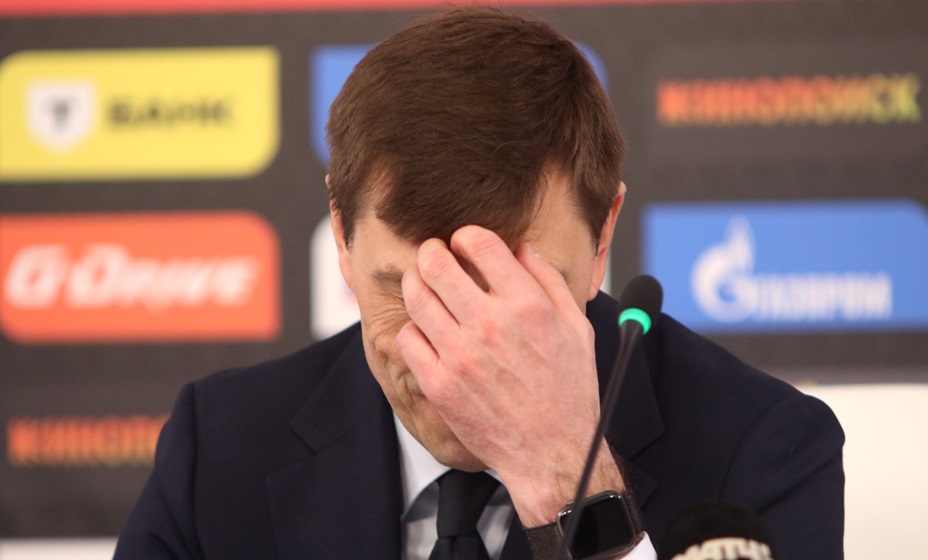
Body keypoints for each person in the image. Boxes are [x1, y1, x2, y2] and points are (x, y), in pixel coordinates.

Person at [115, 8, 844, 560]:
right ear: (340, 231)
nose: (459, 355)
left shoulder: (764, 450)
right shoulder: (222, 446)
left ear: (603, 238)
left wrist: (568, 482)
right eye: (406, 291)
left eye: (515, 292)